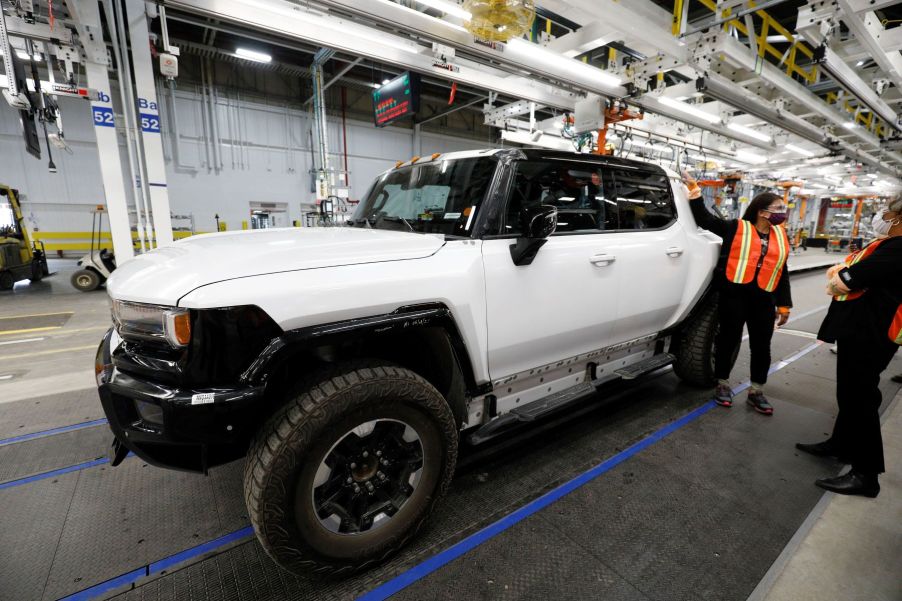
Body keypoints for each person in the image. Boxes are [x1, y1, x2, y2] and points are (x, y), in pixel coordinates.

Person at [796, 196, 902, 497]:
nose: (882, 215)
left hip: (870, 334)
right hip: (862, 331)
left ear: (898, 218)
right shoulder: (887, 246)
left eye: (888, 212)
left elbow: (846, 278)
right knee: (850, 393)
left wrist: (838, 275)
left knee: (861, 399)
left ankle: (867, 475)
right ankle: (839, 444)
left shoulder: (898, 248)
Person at [683, 173, 793, 415]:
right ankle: (722, 384)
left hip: (764, 299)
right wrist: (695, 191)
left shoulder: (780, 236)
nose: (782, 212)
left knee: (762, 346)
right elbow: (705, 220)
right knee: (727, 341)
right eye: (778, 208)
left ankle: (756, 390)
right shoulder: (736, 228)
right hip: (734, 296)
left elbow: (781, 270)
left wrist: (784, 305)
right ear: (762, 211)